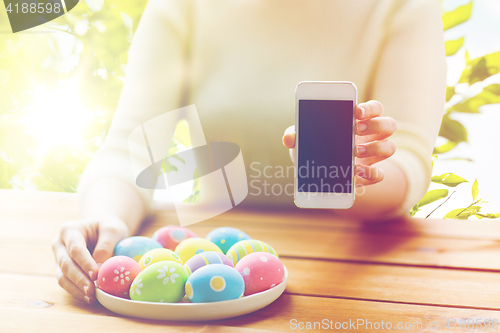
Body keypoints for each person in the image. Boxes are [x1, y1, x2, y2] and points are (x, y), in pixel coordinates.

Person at [51, 0, 446, 304]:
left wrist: (344, 177)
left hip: (357, 276)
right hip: (209, 271)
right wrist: (107, 218)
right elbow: (131, 148)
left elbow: (407, 160)